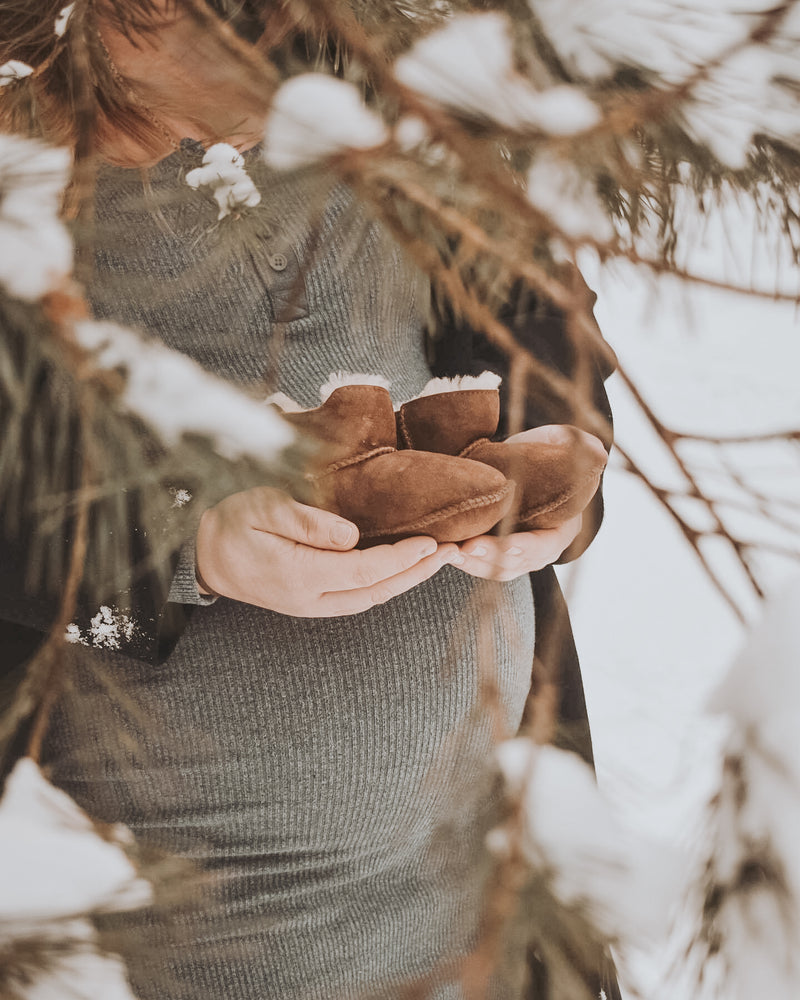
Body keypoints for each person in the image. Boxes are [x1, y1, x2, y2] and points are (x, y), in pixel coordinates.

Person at [0, 2, 616, 997]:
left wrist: (556, 449)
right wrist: (182, 537)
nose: (252, 74)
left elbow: (529, 291)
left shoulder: (389, 40)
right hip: (167, 948)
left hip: (498, 917)